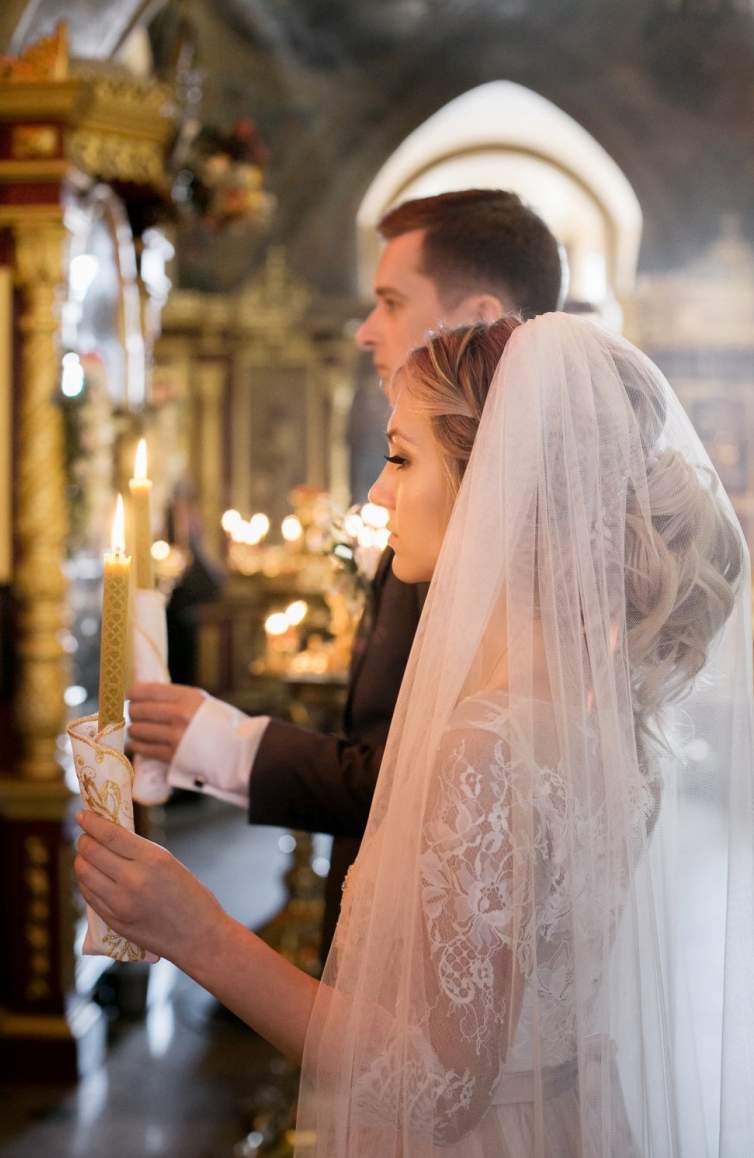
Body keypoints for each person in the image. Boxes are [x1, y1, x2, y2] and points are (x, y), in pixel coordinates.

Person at [77, 314, 754, 1155]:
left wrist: (197, 932)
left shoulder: (489, 746)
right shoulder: (605, 719)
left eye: (401, 459)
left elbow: (432, 1088)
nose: (377, 495)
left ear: (497, 482)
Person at [127, 189, 563, 955]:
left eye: (391, 302)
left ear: (478, 314)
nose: (365, 330)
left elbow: (415, 779)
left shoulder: (483, 546)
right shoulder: (453, 523)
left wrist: (223, 748)